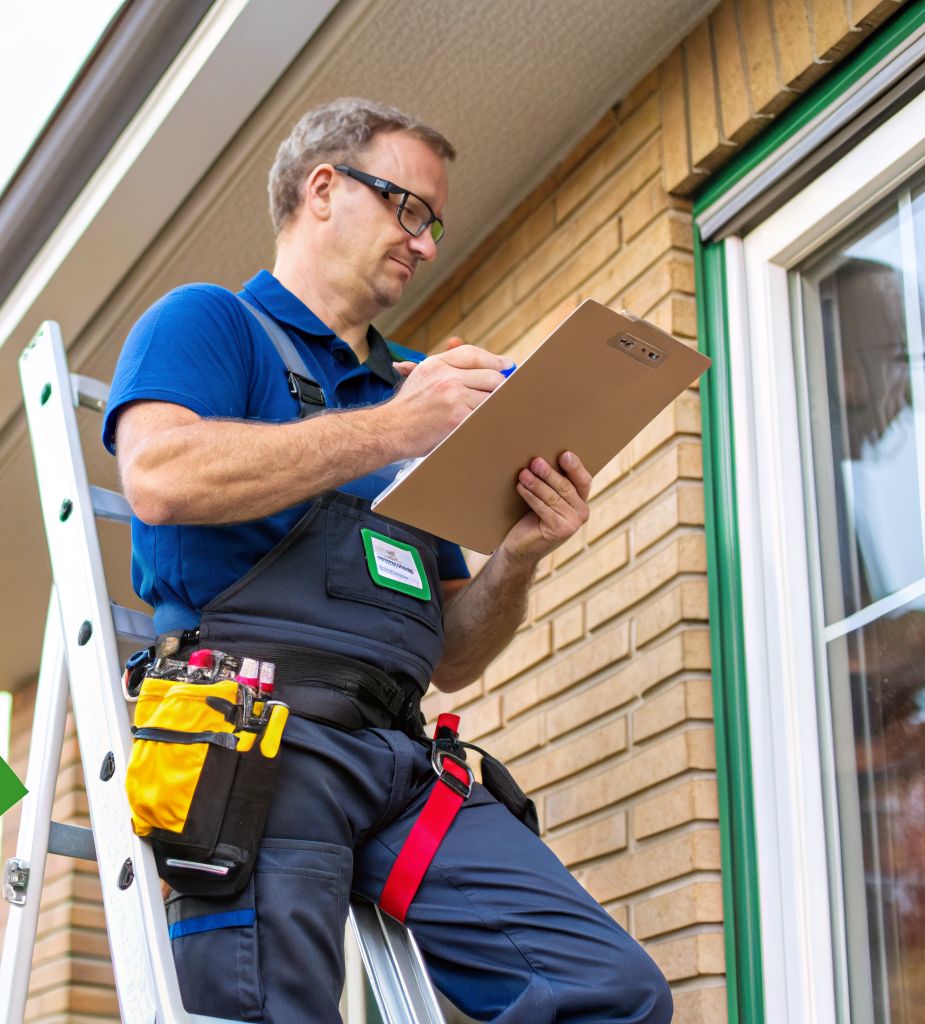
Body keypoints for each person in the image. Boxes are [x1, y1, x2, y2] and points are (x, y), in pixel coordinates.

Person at [103, 97, 672, 1024]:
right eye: (409, 209)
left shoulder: (417, 390)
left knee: (611, 995)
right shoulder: (212, 324)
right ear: (323, 189)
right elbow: (161, 477)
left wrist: (519, 556)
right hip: (258, 738)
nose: (427, 243)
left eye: (435, 222)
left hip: (403, 765)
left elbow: (454, 652)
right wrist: (394, 429)